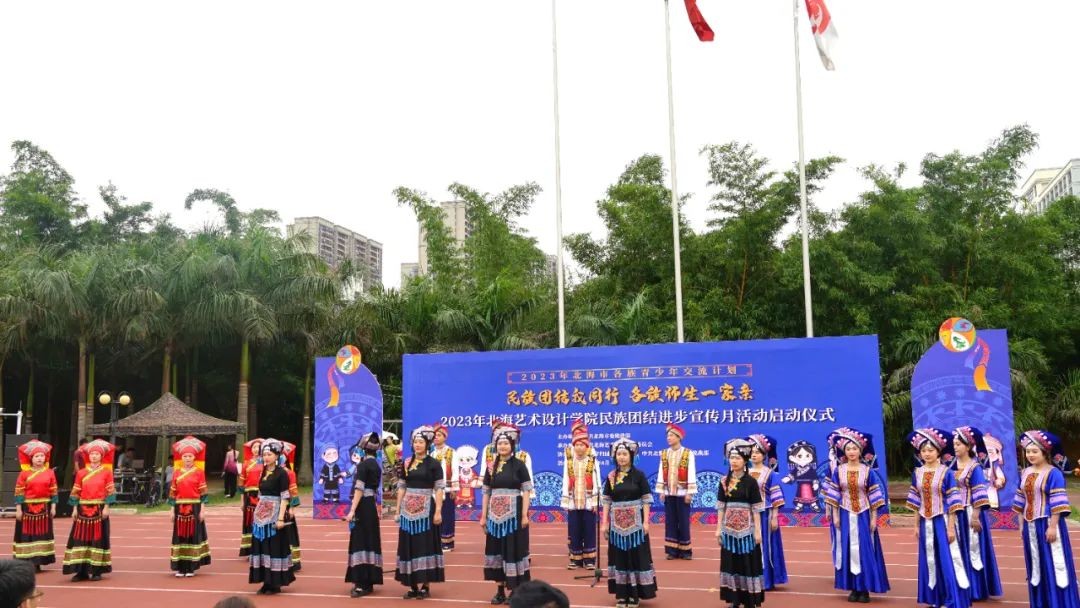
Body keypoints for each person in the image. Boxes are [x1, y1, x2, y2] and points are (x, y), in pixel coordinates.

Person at [822, 427, 889, 603]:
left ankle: (864, 588)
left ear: (860, 451)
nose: (852, 452)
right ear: (844, 451)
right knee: (847, 548)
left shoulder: (868, 472)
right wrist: (835, 515)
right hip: (844, 513)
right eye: (848, 449)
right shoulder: (838, 471)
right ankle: (853, 587)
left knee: (865, 550)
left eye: (855, 448)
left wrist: (874, 518)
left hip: (864, 514)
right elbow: (834, 495)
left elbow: (874, 497)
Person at [1014, 430, 1080, 608]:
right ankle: (1041, 602)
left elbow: (1058, 502)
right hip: (1030, 525)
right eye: (1028, 451)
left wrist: (1052, 527)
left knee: (1054, 562)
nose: (1030, 455)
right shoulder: (1025, 472)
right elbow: (1020, 501)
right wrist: (1021, 525)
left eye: (1035, 451)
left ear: (1044, 452)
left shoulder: (1053, 473)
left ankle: (1059, 602)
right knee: (1036, 563)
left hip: (1048, 522)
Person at [906, 428, 971, 608]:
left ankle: (952, 600)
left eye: (930, 450)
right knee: (930, 559)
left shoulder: (947, 473)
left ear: (938, 452)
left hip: (942, 520)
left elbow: (954, 503)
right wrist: (915, 526)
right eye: (923, 450)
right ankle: (936, 599)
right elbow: (915, 501)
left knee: (947, 559)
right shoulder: (917, 473)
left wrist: (950, 528)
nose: (927, 454)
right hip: (924, 521)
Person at [601, 437, 657, 608]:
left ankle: (635, 595)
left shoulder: (639, 475)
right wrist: (605, 523)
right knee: (619, 558)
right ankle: (622, 594)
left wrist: (646, 522)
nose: (622, 457)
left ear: (631, 456)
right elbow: (606, 501)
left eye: (625, 454)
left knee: (636, 557)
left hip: (636, 526)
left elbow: (646, 500)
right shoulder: (611, 477)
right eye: (619, 454)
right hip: (616, 528)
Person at [482, 425, 533, 604]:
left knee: (513, 551)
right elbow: (486, 492)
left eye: (506, 443)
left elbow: (526, 491)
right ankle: (500, 590)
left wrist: (524, 515)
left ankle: (515, 590)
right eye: (499, 443)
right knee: (496, 552)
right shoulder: (490, 467)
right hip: (494, 519)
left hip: (513, 518)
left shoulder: (519, 465)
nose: (502, 446)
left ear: (512, 445)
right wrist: (483, 516)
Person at [951, 427, 1002, 601]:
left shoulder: (975, 468)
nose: (955, 447)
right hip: (954, 513)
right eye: (954, 444)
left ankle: (975, 589)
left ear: (968, 446)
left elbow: (980, 493)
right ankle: (959, 586)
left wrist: (975, 517)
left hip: (970, 512)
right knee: (956, 549)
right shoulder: (950, 467)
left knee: (974, 549)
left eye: (958, 444)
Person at [395, 425, 446, 599]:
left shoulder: (434, 464)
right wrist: (398, 510)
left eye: (421, 442)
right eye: (415, 442)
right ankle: (412, 585)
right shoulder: (407, 462)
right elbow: (402, 487)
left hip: (426, 511)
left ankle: (425, 585)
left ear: (427, 444)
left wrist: (438, 511)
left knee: (425, 545)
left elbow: (439, 489)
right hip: (407, 512)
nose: (417, 445)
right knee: (408, 545)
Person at [716, 438, 765, 608]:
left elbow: (756, 508)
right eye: (731, 458)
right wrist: (718, 529)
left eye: (737, 458)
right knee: (731, 564)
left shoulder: (751, 482)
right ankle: (734, 599)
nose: (734, 461)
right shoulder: (724, 481)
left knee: (747, 563)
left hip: (747, 532)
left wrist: (757, 531)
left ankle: (749, 600)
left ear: (745, 461)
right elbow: (721, 507)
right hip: (729, 532)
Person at [63, 439, 116, 582]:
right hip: (82, 510)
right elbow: (76, 492)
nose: (94, 456)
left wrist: (106, 507)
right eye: (92, 454)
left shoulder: (106, 472)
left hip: (99, 509)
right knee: (80, 539)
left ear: (101, 456)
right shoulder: (81, 473)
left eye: (96, 454)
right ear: (88, 456)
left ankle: (97, 571)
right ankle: (81, 571)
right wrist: (74, 508)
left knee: (97, 540)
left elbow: (110, 492)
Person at [248, 438, 295, 595]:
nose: (266, 457)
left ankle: (275, 583)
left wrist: (281, 518)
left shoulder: (282, 473)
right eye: (264, 454)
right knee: (262, 547)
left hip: (275, 515)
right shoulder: (262, 472)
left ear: (277, 456)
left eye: (269, 454)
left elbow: (285, 497)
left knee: (274, 547)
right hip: (261, 515)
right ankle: (265, 581)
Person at [344, 432, 384, 598]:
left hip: (362, 505)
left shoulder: (362, 466)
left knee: (360, 541)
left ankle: (362, 582)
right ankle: (369, 579)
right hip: (370, 506)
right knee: (370, 540)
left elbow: (359, 489)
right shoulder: (376, 465)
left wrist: (352, 510)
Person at [747, 434, 787, 590]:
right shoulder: (744, 472)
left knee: (766, 545)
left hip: (765, 514)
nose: (754, 455)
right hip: (747, 515)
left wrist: (774, 517)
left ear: (764, 455)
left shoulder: (770, 473)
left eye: (757, 452)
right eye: (752, 452)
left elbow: (776, 496)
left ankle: (766, 579)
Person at [560, 417, 600, 571]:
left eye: (582, 445)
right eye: (576, 444)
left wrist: (595, 501)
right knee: (574, 530)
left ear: (587, 445)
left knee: (589, 530)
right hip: (573, 501)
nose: (579, 448)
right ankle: (575, 559)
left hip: (588, 502)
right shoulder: (569, 459)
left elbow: (596, 479)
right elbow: (566, 478)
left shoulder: (592, 459)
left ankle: (589, 559)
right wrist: (566, 500)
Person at [12, 440, 58, 571]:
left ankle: (39, 561)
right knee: (27, 534)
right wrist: (18, 509)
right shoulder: (24, 473)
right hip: (27, 508)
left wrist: (53, 507)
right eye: (37, 456)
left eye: (42, 456)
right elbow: (19, 492)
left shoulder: (50, 473)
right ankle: (27, 562)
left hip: (44, 508)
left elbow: (54, 491)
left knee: (41, 534)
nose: (40, 458)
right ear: (31, 458)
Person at [168, 436, 211, 577]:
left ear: (194, 458)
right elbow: (173, 493)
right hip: (179, 508)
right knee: (180, 536)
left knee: (193, 535)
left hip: (194, 507)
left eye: (190, 456)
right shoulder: (176, 472)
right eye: (185, 456)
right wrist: (171, 511)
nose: (187, 458)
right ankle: (180, 567)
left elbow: (203, 494)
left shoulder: (199, 472)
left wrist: (202, 511)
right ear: (181, 458)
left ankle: (191, 567)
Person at [655, 423, 695, 560]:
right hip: (669, 493)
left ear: (679, 437)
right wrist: (661, 491)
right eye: (668, 436)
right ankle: (672, 550)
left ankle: (685, 551)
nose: (669, 438)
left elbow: (691, 472)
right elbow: (661, 472)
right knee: (670, 521)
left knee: (683, 522)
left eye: (671, 435)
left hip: (683, 493)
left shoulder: (688, 453)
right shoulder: (664, 453)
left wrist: (689, 492)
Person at [432, 423, 459, 552]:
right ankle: (436, 541)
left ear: (445, 437)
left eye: (439, 435)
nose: (436, 437)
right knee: (434, 515)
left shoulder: (451, 452)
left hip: (447, 489)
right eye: (434, 435)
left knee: (447, 515)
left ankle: (448, 542)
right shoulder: (431, 453)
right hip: (434, 490)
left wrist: (454, 488)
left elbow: (455, 470)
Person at [239, 438, 264, 556]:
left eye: (259, 447)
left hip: (263, 496)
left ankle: (262, 548)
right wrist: (242, 502)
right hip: (249, 496)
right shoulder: (246, 464)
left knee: (262, 521)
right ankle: (250, 549)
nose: (256, 449)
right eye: (254, 447)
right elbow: (241, 484)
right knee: (249, 522)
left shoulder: (265, 462)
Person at [281, 441, 303, 572]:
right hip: (274, 507)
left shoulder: (289, 473)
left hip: (286, 507)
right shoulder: (269, 472)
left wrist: (292, 508)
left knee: (290, 534)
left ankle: (294, 561)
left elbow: (293, 491)